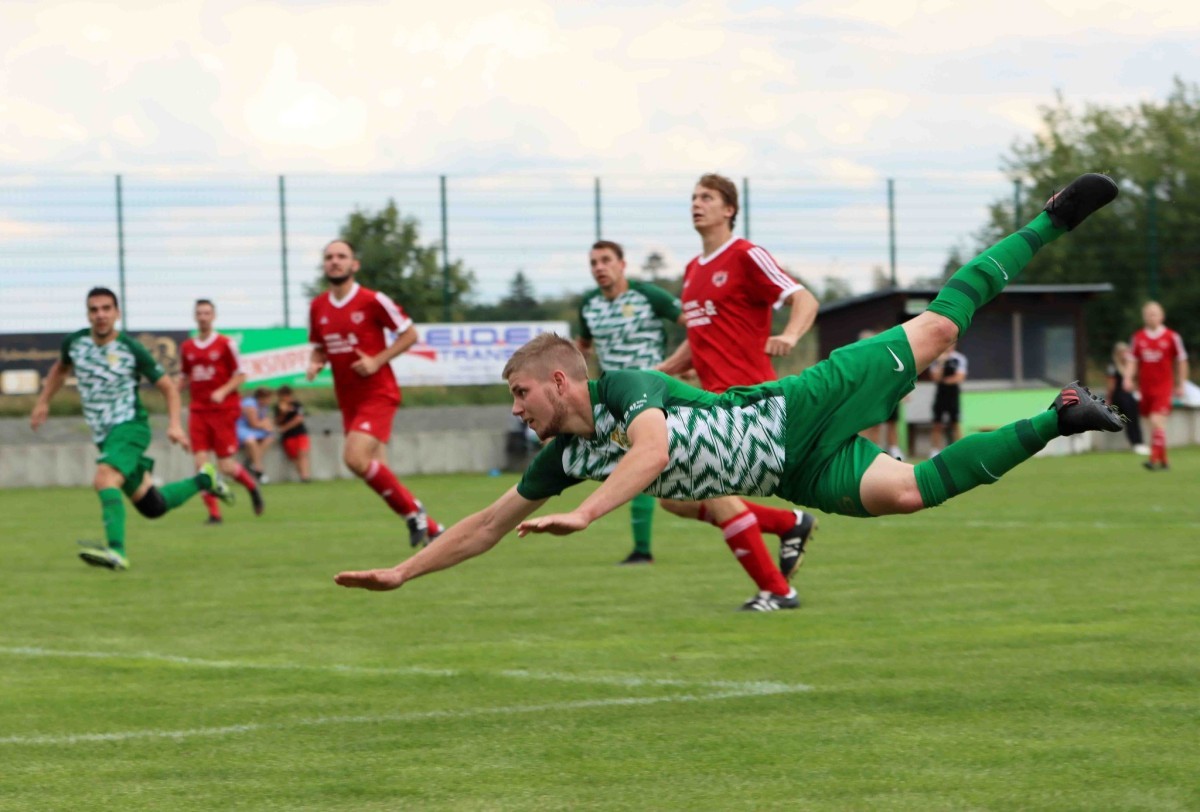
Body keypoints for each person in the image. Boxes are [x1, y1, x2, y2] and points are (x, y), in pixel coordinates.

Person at [334, 174, 1125, 608]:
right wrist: (405, 572)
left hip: (800, 403)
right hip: (792, 471)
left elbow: (652, 448)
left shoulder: (628, 390)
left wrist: (587, 511)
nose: (515, 412)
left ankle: (1050, 220)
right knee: (913, 494)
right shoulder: (564, 458)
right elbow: (486, 523)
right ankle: (1059, 417)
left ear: (558, 382)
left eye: (518, 397)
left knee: (942, 332)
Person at [654, 173, 821, 609]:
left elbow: (804, 299)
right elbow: (702, 334)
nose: (696, 203)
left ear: (729, 209)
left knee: (712, 490)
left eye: (706, 197)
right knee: (671, 497)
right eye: (692, 197)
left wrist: (791, 335)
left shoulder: (746, 255)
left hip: (751, 402)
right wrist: (667, 370)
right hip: (712, 405)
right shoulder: (693, 271)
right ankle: (789, 523)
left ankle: (777, 591)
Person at [29, 287, 232, 571]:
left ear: (117, 313)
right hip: (105, 436)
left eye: (106, 308)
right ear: (88, 313)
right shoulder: (75, 344)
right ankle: (205, 480)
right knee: (153, 506)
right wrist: (43, 402)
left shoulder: (131, 349)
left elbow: (168, 388)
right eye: (94, 309)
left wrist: (174, 424)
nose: (100, 315)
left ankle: (117, 552)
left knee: (104, 479)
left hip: (129, 427)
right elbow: (60, 370)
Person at [307, 239, 445, 547]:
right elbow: (320, 348)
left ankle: (413, 514)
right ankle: (433, 528)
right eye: (329, 257)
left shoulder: (372, 300)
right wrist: (316, 363)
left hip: (378, 393)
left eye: (341, 256)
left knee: (354, 459)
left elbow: (409, 334)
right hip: (348, 400)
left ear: (354, 265)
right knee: (378, 470)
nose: (334, 261)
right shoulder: (318, 307)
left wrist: (377, 360)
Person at [577, 239, 686, 565]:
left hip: (653, 394)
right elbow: (582, 347)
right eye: (594, 262)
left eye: (606, 260)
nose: (599, 267)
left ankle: (642, 550)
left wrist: (678, 364)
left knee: (651, 467)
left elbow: (694, 326)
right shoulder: (589, 305)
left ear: (622, 265)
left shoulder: (648, 295)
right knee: (650, 471)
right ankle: (641, 550)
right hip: (615, 399)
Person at [179, 299, 264, 523]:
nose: (203, 317)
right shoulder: (187, 347)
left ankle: (251, 486)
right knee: (201, 466)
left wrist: (223, 391)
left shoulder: (226, 344)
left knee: (226, 466)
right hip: (198, 411)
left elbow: (241, 375)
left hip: (223, 411)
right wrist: (171, 390)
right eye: (199, 313)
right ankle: (214, 514)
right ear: (195, 316)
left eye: (207, 313)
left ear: (213, 316)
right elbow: (185, 376)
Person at [1126, 301, 1189, 471]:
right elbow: (1132, 360)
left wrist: (1180, 383)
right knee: (1151, 426)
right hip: (1145, 389)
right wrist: (1128, 378)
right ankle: (1164, 460)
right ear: (1144, 317)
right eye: (1148, 314)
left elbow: (1181, 360)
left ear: (1161, 316)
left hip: (1164, 387)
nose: (1151, 317)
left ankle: (1153, 461)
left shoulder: (1171, 337)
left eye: (1154, 313)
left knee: (1156, 421)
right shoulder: (1138, 338)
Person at [1104, 341, 1146, 454]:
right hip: (1119, 396)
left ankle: (1139, 442)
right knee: (1129, 418)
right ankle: (1136, 442)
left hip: (1130, 395)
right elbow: (1111, 384)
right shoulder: (1113, 365)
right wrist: (1109, 398)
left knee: (1134, 417)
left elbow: (1136, 381)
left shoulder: (1130, 366)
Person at [928, 344, 968, 456]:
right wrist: (942, 362)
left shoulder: (959, 358)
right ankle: (935, 450)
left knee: (955, 422)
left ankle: (961, 449)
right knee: (937, 423)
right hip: (940, 394)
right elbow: (935, 378)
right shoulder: (937, 359)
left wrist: (945, 380)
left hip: (953, 394)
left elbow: (959, 377)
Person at [237, 387, 275, 481]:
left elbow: (265, 421)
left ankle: (249, 462)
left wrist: (267, 424)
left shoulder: (264, 406)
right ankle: (259, 470)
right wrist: (265, 424)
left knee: (270, 437)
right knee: (251, 440)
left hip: (252, 429)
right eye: (266, 397)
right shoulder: (250, 404)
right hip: (241, 428)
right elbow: (253, 423)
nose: (269, 400)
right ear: (260, 398)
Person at [274, 385, 312, 482]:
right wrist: (283, 412)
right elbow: (277, 422)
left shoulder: (297, 405)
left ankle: (305, 476)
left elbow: (299, 419)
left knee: (303, 453)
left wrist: (285, 428)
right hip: (288, 436)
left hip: (300, 432)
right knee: (295, 457)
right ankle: (302, 476)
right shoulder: (278, 407)